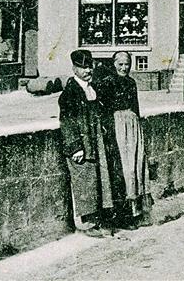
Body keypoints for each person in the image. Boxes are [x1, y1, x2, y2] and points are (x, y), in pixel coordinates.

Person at [58, 49, 117, 235]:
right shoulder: (70, 93)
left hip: (95, 141)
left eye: (89, 66)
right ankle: (87, 223)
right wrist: (75, 147)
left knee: (97, 180)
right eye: (83, 67)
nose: (87, 70)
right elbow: (67, 122)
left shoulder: (92, 88)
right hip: (82, 145)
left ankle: (97, 219)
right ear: (74, 68)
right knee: (84, 181)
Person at [95, 50, 151, 228]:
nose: (124, 68)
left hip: (133, 127)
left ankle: (135, 212)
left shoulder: (131, 82)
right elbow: (103, 110)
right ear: (114, 64)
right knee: (124, 170)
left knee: (136, 166)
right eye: (120, 64)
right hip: (118, 128)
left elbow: (136, 106)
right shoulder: (108, 82)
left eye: (127, 64)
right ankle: (122, 215)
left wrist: (139, 127)